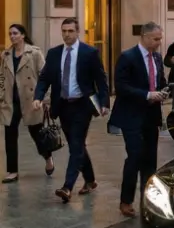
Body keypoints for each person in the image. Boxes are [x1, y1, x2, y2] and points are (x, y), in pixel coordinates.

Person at [33, 17, 110, 203]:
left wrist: (104, 102)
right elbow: (44, 78)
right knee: (78, 145)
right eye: (64, 31)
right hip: (63, 105)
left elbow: (100, 79)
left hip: (82, 105)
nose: (66, 34)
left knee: (76, 146)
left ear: (77, 32)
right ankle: (90, 180)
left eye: (70, 31)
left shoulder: (89, 53)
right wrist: (38, 96)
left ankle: (67, 187)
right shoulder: (54, 53)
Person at [110, 22, 168, 218]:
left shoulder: (158, 58)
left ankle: (148, 199)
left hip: (152, 116)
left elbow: (161, 82)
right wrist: (147, 95)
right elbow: (121, 86)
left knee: (150, 160)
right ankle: (126, 201)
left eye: (160, 39)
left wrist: (163, 92)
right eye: (156, 39)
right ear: (144, 37)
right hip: (131, 116)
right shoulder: (128, 57)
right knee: (134, 156)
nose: (159, 43)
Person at [1, 24, 50, 182]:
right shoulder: (6, 55)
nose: (12, 36)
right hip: (11, 101)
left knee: (37, 134)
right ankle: (12, 171)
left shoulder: (34, 53)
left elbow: (44, 76)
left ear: (22, 35)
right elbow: (2, 78)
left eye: (15, 33)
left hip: (31, 100)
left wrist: (44, 99)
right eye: (10, 34)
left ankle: (48, 158)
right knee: (9, 135)